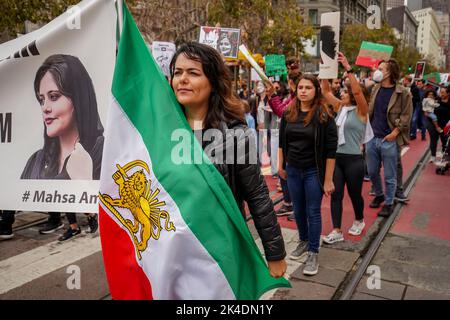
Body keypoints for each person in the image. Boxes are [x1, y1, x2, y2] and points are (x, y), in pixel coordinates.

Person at [169, 42, 287, 278]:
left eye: (193, 73)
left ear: (213, 82)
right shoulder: (161, 131)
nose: (182, 79)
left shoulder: (234, 134)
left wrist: (275, 253)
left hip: (220, 250)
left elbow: (257, 194)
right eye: (177, 72)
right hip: (174, 250)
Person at [21, 54, 102, 238]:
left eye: (54, 96)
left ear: (78, 98)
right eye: (41, 99)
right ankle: (73, 226)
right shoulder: (36, 161)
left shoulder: (104, 151)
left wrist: (84, 180)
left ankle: (89, 219)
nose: (45, 107)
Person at [278, 74, 337, 275]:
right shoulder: (288, 114)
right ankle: (303, 241)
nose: (303, 91)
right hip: (293, 169)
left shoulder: (324, 116)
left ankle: (313, 252)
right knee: (298, 210)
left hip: (314, 171)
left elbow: (331, 151)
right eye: (300, 87)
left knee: (313, 211)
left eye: (308, 88)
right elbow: (281, 143)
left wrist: (328, 180)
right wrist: (281, 166)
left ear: (316, 91)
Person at [321, 52, 373, 244]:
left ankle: (359, 219)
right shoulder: (340, 108)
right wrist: (326, 67)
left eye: (345, 91)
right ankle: (336, 230)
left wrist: (348, 68)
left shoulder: (362, 110)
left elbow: (358, 93)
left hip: (354, 160)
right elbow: (326, 92)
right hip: (336, 159)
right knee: (336, 195)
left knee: (354, 194)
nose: (341, 92)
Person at [366, 59, 413, 217]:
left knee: (389, 175)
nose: (376, 71)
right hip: (372, 138)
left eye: (380, 68)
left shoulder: (403, 92)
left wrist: (395, 133)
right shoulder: (375, 88)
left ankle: (388, 202)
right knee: (372, 172)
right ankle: (379, 195)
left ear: (389, 72)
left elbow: (406, 115)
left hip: (389, 140)